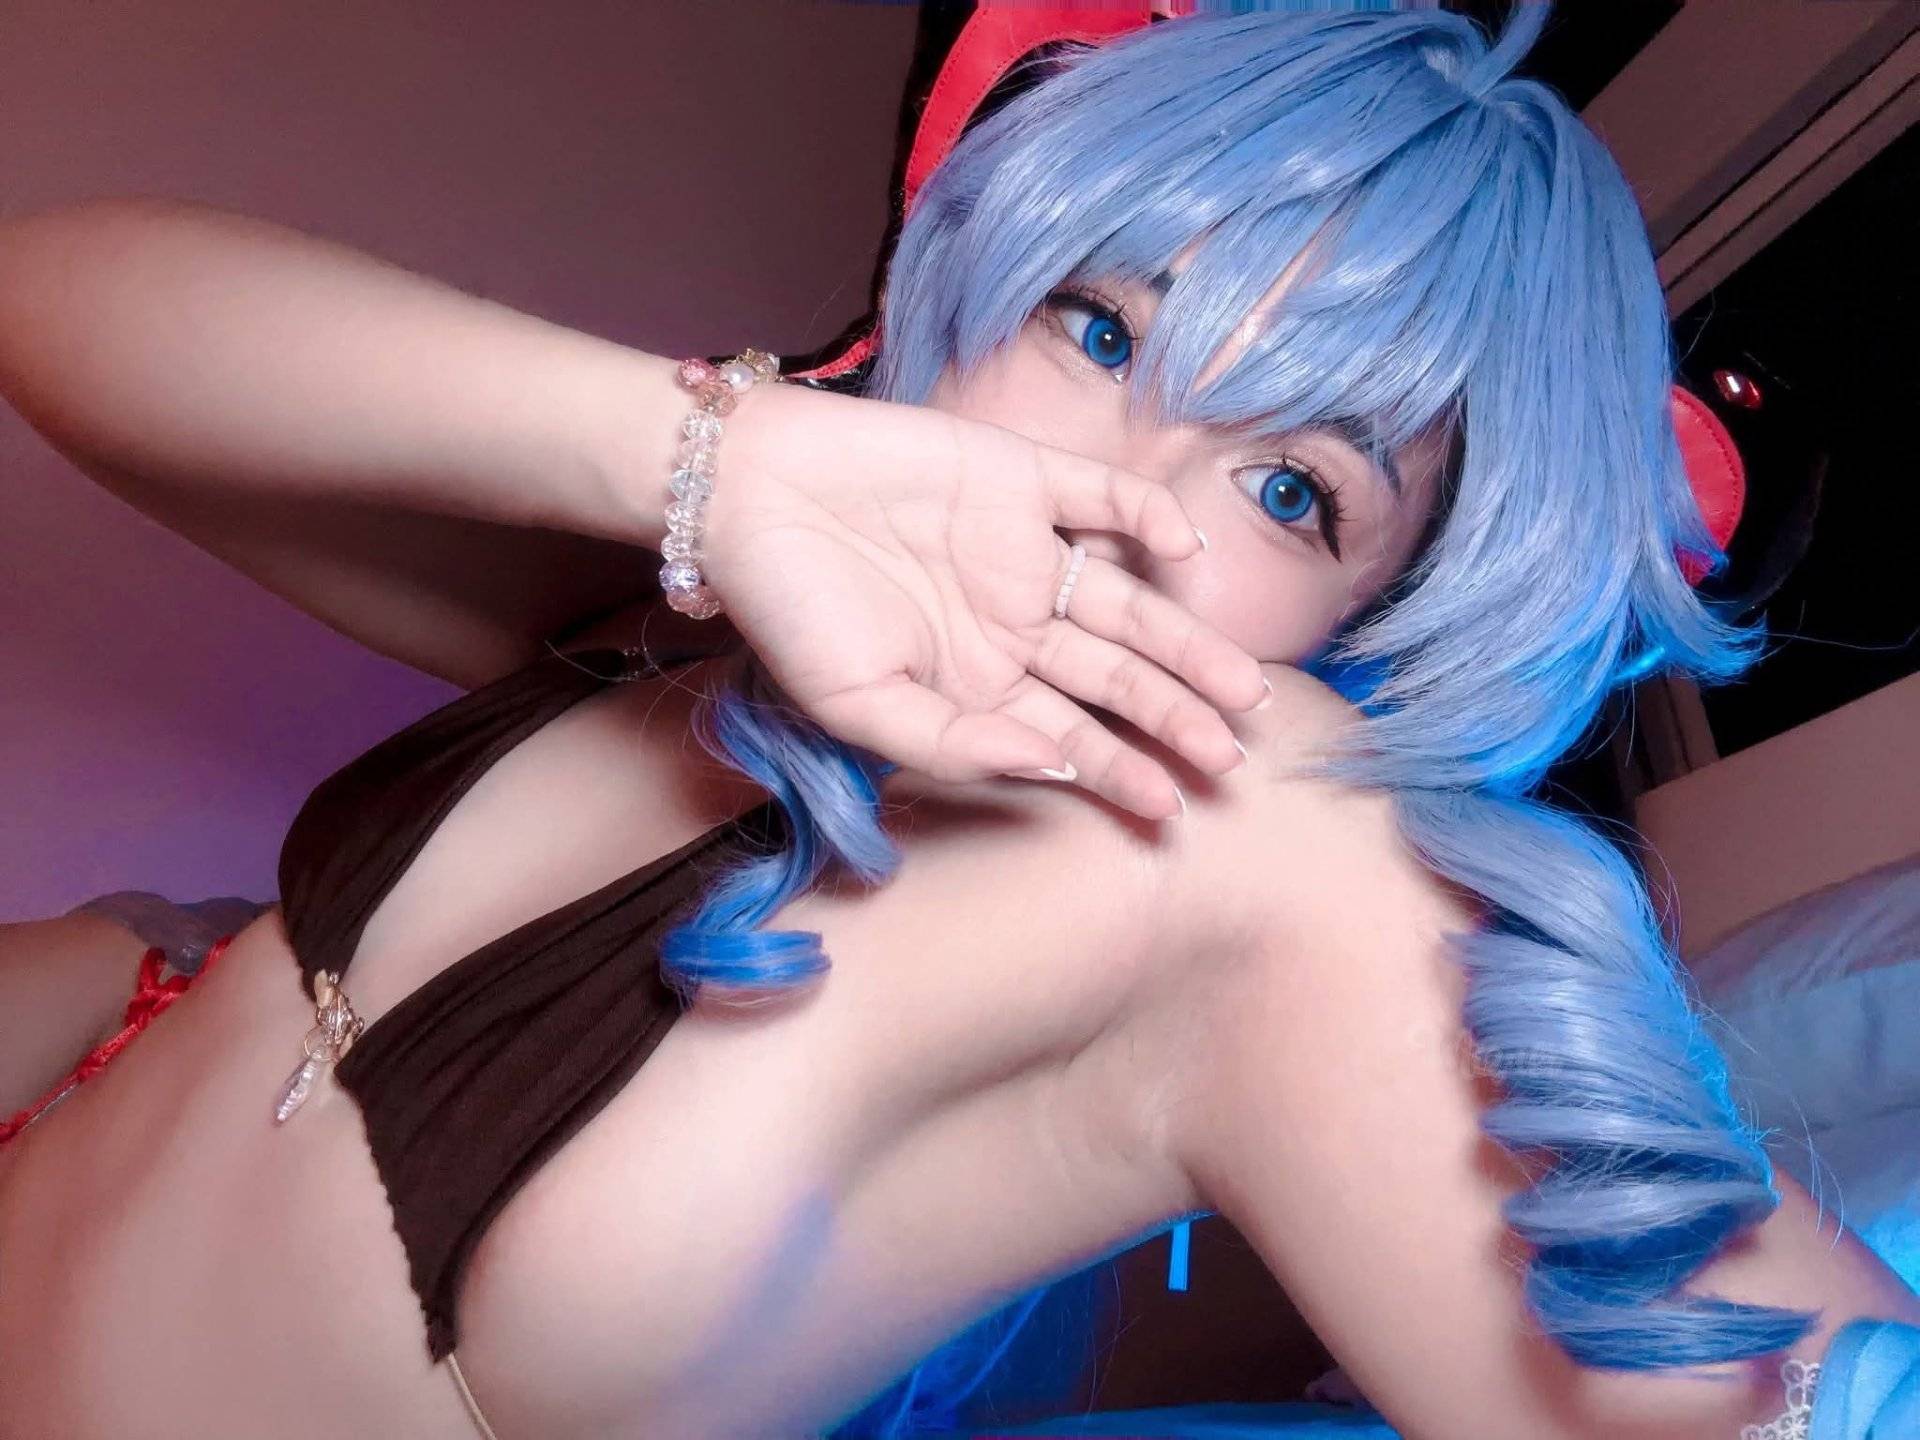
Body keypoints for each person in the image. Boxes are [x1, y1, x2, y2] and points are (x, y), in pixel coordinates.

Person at [0, 5, 1914, 1438]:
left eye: (1294, 492)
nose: (1123, 498)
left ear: (1373, 629)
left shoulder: (1254, 867)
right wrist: (711, 457)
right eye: (1102, 329)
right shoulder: (674, 608)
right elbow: (57, 301)